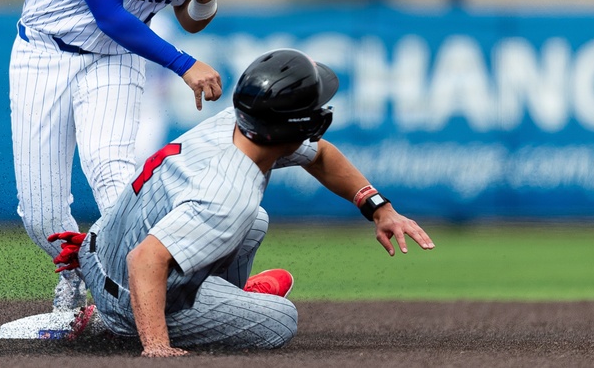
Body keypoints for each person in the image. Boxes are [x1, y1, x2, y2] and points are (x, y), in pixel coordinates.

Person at [50, 48, 435, 356]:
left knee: (255, 222)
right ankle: (117, 325)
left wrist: (379, 208)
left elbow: (320, 155)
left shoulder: (237, 125)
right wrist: (156, 346)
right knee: (280, 321)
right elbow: (146, 260)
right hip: (129, 285)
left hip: (105, 245)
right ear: (299, 126)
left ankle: (225, 301)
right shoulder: (227, 196)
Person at [9, 0, 224, 312]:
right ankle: (74, 281)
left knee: (113, 176)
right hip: (46, 55)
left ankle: (148, 294)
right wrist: (183, 64)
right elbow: (107, 13)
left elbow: (192, 18)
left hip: (114, 61)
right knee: (39, 211)